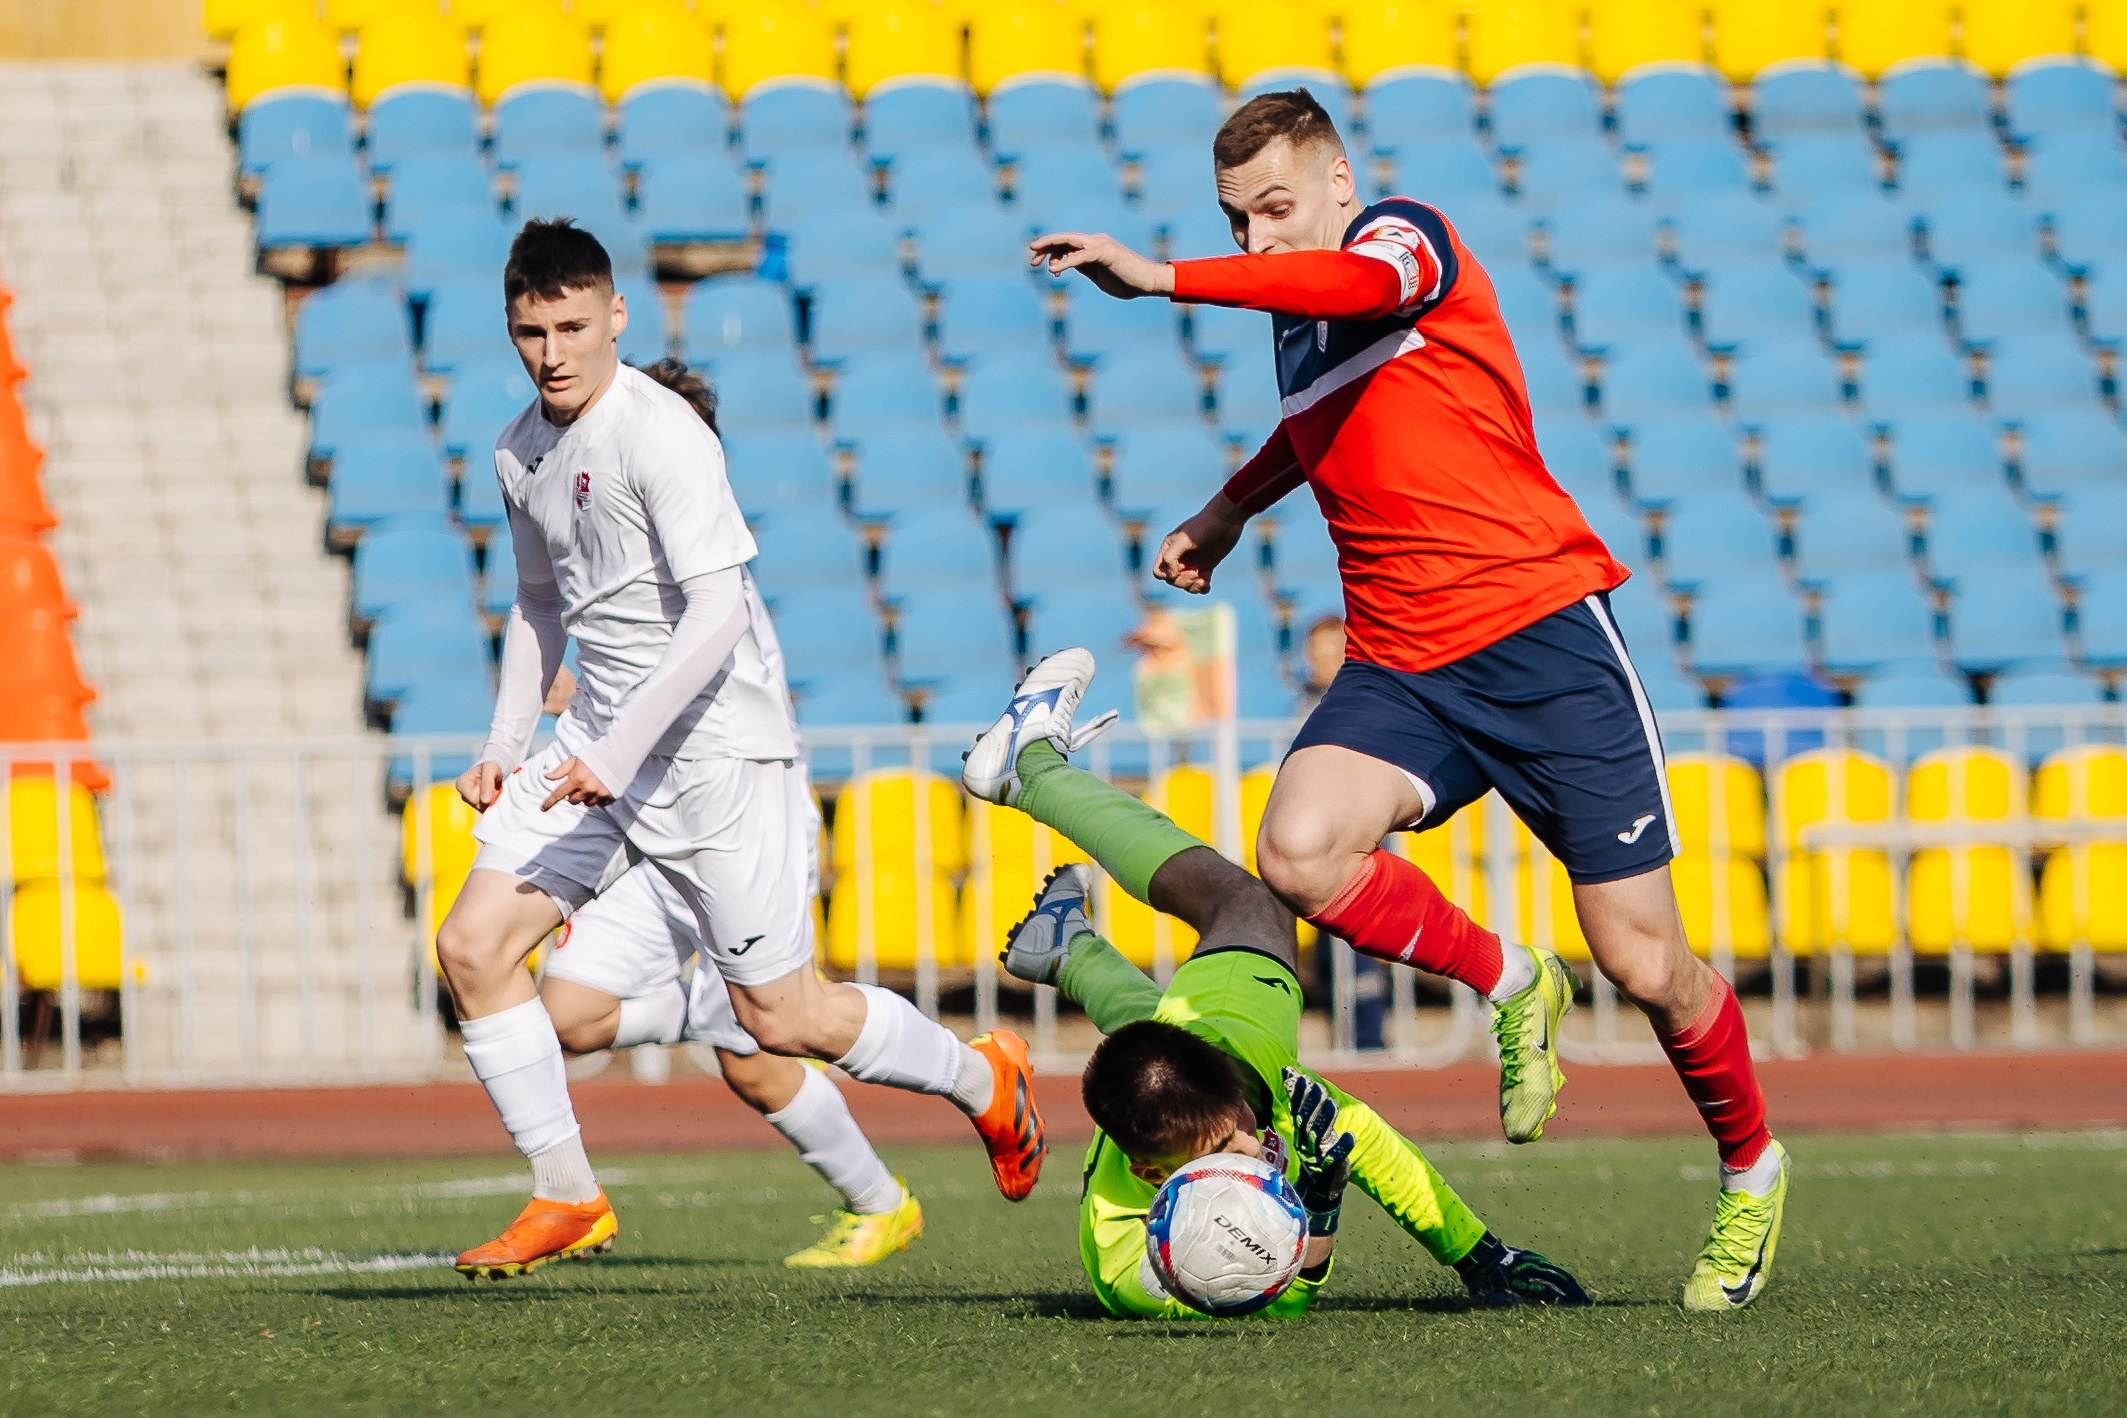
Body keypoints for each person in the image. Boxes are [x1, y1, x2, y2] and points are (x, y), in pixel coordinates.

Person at [1026, 91, 1787, 1312]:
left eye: (1277, 208)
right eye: (1236, 219)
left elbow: (1365, 292)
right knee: (1298, 851)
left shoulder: (1403, 238)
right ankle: (1509, 979)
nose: (1263, 239)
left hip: (1542, 639)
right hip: (1404, 660)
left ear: (1338, 182)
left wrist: (1167, 275)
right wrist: (1229, 508)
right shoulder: (1297, 314)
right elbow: (1317, 425)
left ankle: (1751, 1166)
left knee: (1648, 963)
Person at [441, 219, 1045, 1280]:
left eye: (574, 324)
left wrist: (620, 750)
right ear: (510, 328)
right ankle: (567, 1192)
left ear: (616, 315)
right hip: (598, 751)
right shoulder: (518, 449)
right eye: (532, 330)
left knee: (780, 1018)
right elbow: (539, 605)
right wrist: (505, 744)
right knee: (473, 948)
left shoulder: (663, 431)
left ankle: (980, 1075)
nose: (554, 351)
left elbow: (716, 612)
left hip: (716, 757)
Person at [966, 649, 1590, 1318]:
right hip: (1190, 1077)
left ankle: (1036, 792)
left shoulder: (1254, 1086)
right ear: (1150, 1175)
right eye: (1229, 1143)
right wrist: (1320, 1208)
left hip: (1228, 1034)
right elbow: (1273, 1305)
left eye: (1237, 1122)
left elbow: (1371, 1143)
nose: (1252, 1140)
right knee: (1188, 994)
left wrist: (1479, 1257)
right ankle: (1056, 893)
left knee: (1245, 917)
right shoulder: (1128, 1268)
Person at [506, 357, 924, 1270]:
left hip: (734, 809)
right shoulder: (614, 560)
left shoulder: (707, 573)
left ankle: (882, 1201)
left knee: (765, 1044)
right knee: (566, 1015)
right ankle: (713, 1009)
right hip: (643, 822)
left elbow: (699, 678)